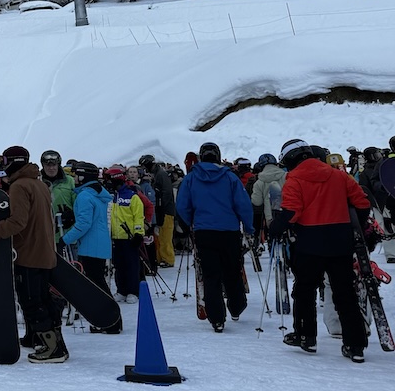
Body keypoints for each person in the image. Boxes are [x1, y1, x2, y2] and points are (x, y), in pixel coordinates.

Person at [269, 140, 370, 362]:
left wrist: (275, 228)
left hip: (309, 243)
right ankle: (355, 345)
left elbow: (292, 211)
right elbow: (362, 203)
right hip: (340, 242)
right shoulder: (339, 175)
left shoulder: (294, 179)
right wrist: (354, 228)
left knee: (305, 290)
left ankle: (306, 337)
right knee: (345, 293)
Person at [0, 146, 65, 363]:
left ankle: (53, 348)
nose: (3, 166)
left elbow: (17, 222)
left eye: (4, 161)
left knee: (31, 301)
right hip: (43, 251)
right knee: (41, 298)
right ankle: (50, 341)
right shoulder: (39, 184)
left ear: (13, 162)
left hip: (29, 253)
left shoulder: (20, 186)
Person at [176, 141, 254, 333]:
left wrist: (188, 223)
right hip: (229, 231)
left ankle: (217, 318)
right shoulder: (230, 177)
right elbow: (243, 204)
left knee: (211, 275)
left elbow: (182, 204)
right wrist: (248, 226)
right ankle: (236, 306)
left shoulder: (191, 178)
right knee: (232, 270)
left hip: (204, 231)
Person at [62, 161, 118, 333]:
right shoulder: (97, 194)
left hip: (90, 245)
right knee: (99, 283)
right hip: (99, 244)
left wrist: (65, 239)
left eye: (76, 175)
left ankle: (110, 322)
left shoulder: (85, 196)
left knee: (96, 286)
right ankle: (111, 321)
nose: (74, 179)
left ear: (83, 177)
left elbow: (84, 224)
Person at [106, 166, 143, 303]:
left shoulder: (132, 196)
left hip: (129, 237)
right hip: (115, 238)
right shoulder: (111, 196)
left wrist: (138, 233)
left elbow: (138, 216)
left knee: (131, 265)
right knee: (119, 266)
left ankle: (133, 291)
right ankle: (121, 290)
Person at [141, 155, 177, 268]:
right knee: (160, 235)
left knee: (165, 235)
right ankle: (161, 257)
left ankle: (168, 259)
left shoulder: (161, 174)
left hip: (166, 210)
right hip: (161, 210)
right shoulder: (157, 174)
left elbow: (166, 192)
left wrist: (161, 207)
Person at [41, 150, 77, 245]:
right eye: (48, 165)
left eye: (54, 165)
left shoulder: (69, 181)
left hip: (67, 234)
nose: (51, 168)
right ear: (43, 166)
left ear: (58, 165)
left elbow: (78, 204)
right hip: (45, 234)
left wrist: (72, 215)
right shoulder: (38, 182)